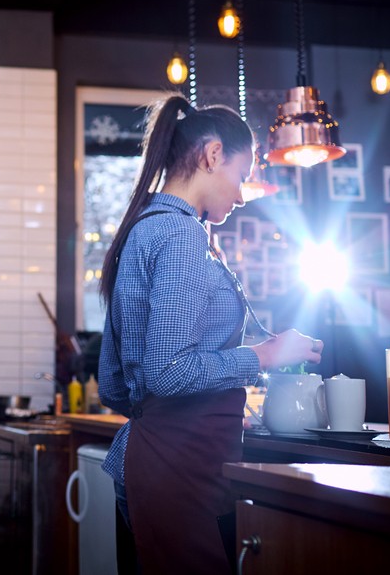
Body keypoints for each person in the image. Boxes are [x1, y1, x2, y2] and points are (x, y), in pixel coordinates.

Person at [97, 93, 323, 575]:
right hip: (177, 471)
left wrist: (209, 406)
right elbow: (169, 371)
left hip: (148, 463)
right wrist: (264, 355)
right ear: (213, 155)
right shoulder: (180, 237)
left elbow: (115, 384)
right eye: (242, 176)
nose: (243, 195)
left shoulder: (144, 228)